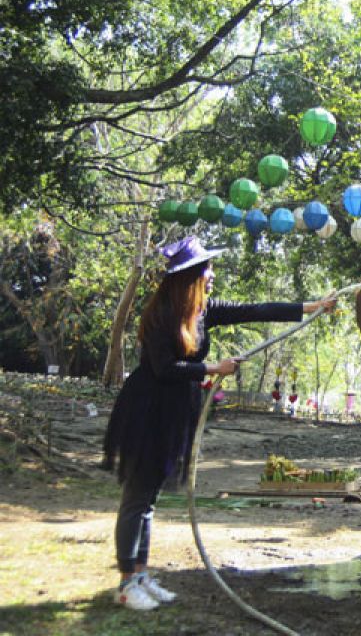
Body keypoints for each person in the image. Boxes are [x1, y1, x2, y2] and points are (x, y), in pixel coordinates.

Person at [101, 237, 336, 610]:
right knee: (137, 497)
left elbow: (255, 310)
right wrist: (214, 368)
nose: (212, 275)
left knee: (150, 499)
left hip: (174, 413)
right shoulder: (162, 314)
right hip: (148, 412)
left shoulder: (201, 311)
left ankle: (142, 574)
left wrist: (312, 307)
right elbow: (164, 369)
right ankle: (127, 583)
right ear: (190, 276)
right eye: (206, 269)